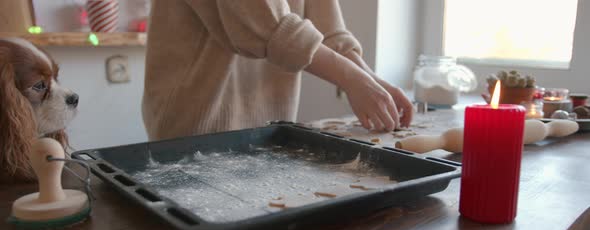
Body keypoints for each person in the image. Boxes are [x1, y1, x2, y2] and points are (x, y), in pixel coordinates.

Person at [142, 0, 414, 140]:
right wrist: (354, 80)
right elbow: (269, 24)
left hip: (271, 127)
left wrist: (370, 81)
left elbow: (329, 30)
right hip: (196, 126)